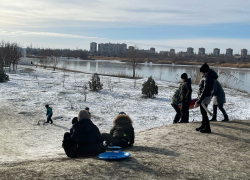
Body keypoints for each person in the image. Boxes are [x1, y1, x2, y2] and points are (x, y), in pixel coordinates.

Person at [196, 63, 218, 133]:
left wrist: (201, 99)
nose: (201, 73)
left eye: (201, 72)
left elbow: (206, 89)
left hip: (205, 96)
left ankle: (207, 128)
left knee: (203, 112)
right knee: (203, 112)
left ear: (204, 71)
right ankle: (203, 125)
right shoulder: (208, 76)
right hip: (206, 96)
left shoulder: (208, 77)